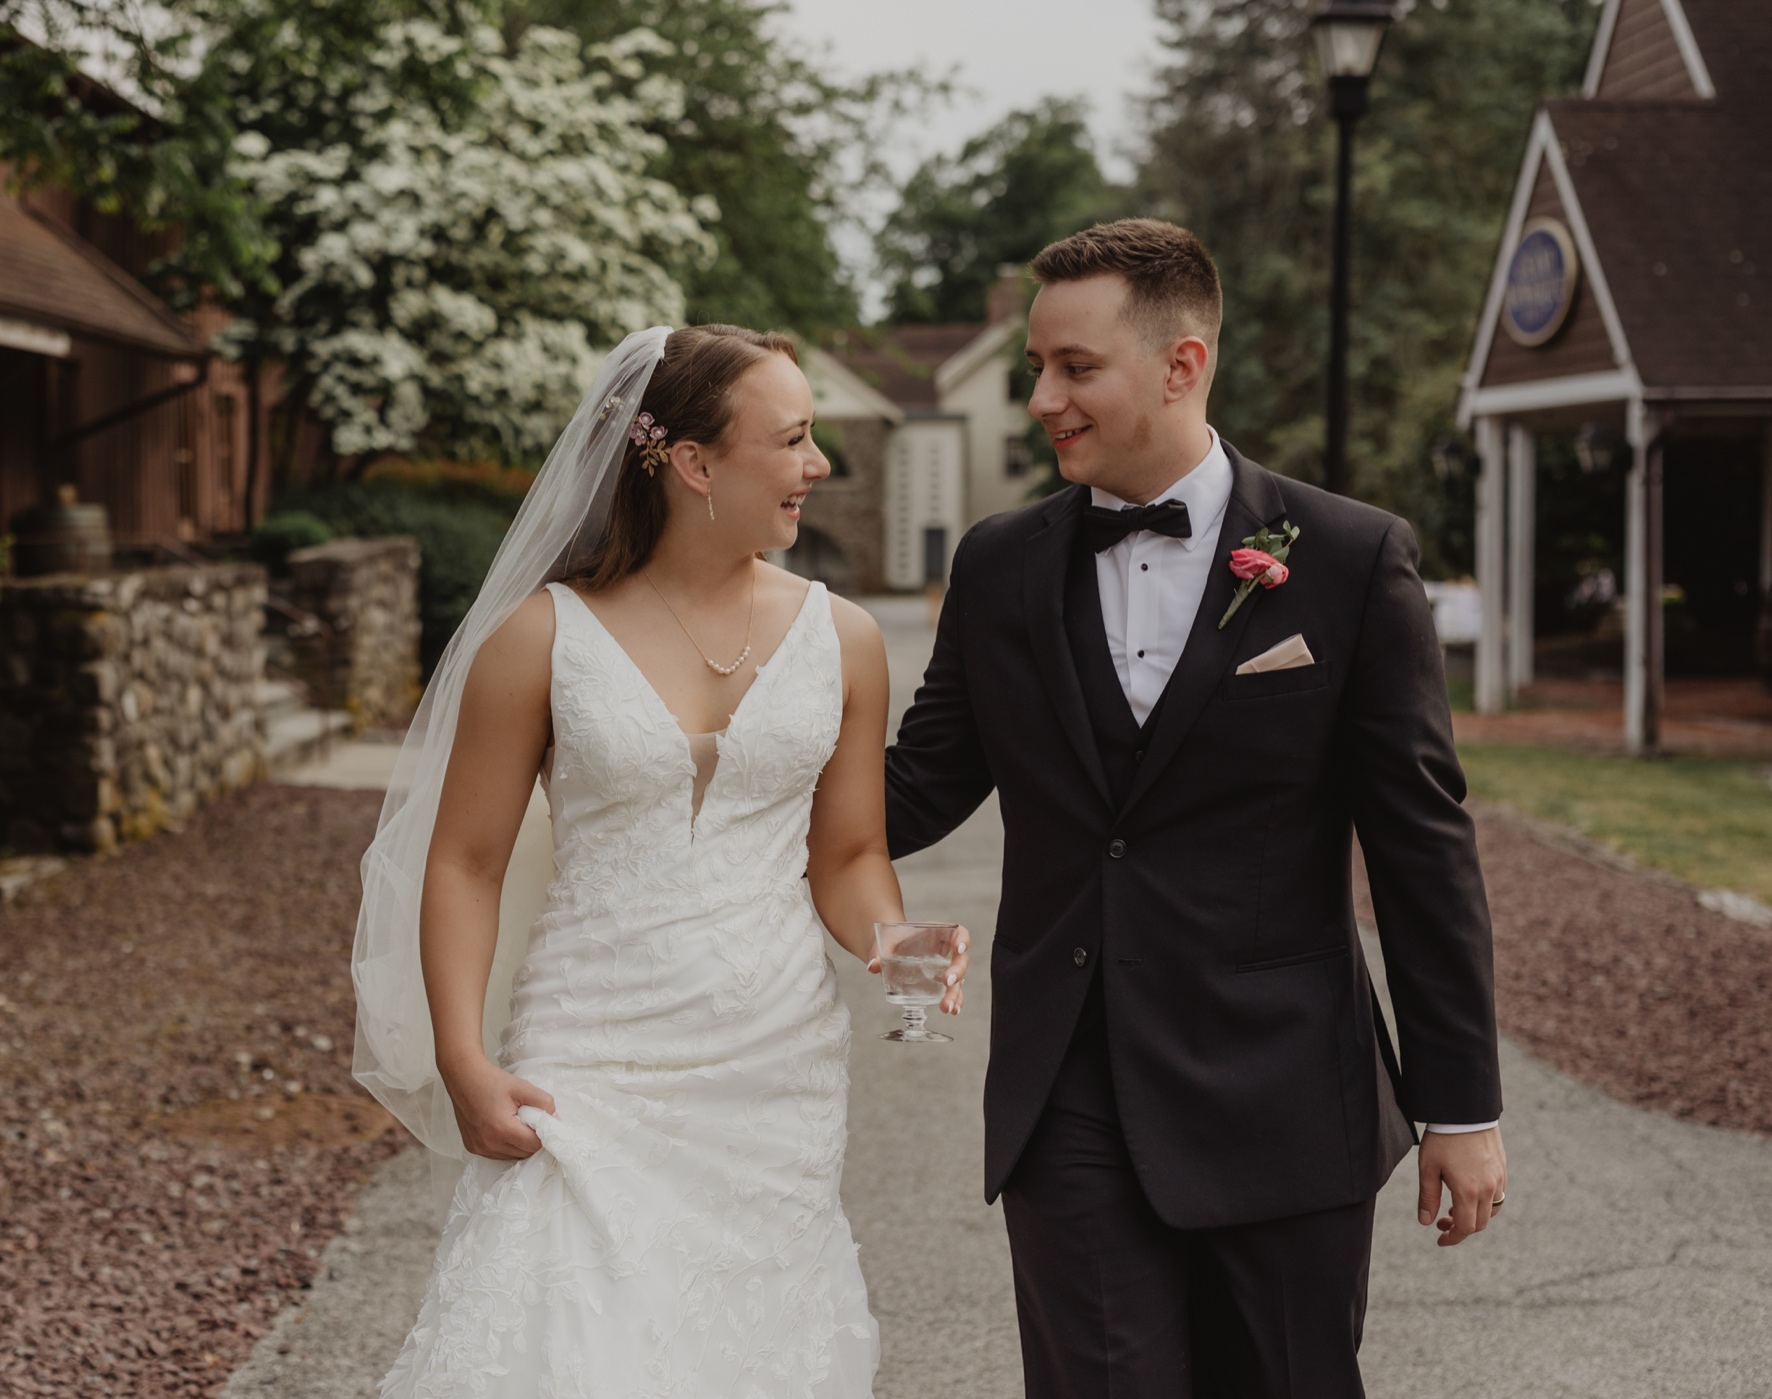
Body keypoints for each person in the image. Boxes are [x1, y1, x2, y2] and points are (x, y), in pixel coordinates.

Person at [883, 219, 1508, 1398]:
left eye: (1075, 368)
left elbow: (1422, 848)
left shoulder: (1348, 558)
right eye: (1036, 367)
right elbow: (915, 786)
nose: (1041, 399)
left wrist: (1461, 1105)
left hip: (1285, 1092)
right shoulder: (1000, 565)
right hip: (1070, 1089)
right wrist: (698, 789)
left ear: (1183, 364)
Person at [350, 324, 968, 1398]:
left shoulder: (847, 639)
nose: (819, 465)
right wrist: (461, 1055)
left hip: (773, 1066)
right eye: (792, 439)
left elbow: (850, 853)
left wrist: (898, 941)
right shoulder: (539, 637)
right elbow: (465, 864)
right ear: (693, 463)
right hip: (587, 1051)